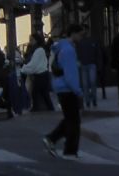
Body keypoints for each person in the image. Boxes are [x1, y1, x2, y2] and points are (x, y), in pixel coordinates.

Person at [43, 23, 86, 159]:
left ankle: (52, 139)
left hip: (61, 87)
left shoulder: (61, 48)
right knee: (74, 121)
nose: (81, 38)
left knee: (69, 119)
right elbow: (70, 74)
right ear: (73, 33)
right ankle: (69, 149)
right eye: (80, 35)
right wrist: (78, 91)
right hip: (68, 88)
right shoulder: (69, 50)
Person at [20, 34, 54, 111]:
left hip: (41, 75)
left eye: (32, 39)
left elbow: (33, 64)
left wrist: (23, 69)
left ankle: (37, 108)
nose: (30, 41)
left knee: (37, 92)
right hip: (42, 74)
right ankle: (49, 108)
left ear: (36, 40)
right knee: (43, 93)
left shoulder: (38, 50)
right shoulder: (38, 50)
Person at [75, 32, 101, 108]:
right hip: (87, 64)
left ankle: (90, 100)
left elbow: (97, 52)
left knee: (87, 83)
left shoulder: (81, 42)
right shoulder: (84, 42)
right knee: (88, 83)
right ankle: (90, 100)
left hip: (88, 64)